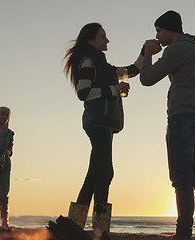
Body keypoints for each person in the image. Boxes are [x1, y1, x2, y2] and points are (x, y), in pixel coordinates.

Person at [140, 10, 195, 240]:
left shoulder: (177, 49)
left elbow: (147, 79)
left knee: (182, 181)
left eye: (159, 31)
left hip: (181, 119)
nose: (157, 36)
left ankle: (183, 233)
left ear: (170, 29)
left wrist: (147, 54)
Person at [63, 22, 142, 240]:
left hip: (105, 124)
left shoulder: (104, 65)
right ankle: (100, 230)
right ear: (91, 41)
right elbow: (83, 92)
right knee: (106, 171)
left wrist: (146, 53)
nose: (107, 41)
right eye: (103, 37)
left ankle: (75, 226)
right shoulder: (89, 61)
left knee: (95, 174)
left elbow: (130, 71)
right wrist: (113, 89)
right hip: (96, 122)